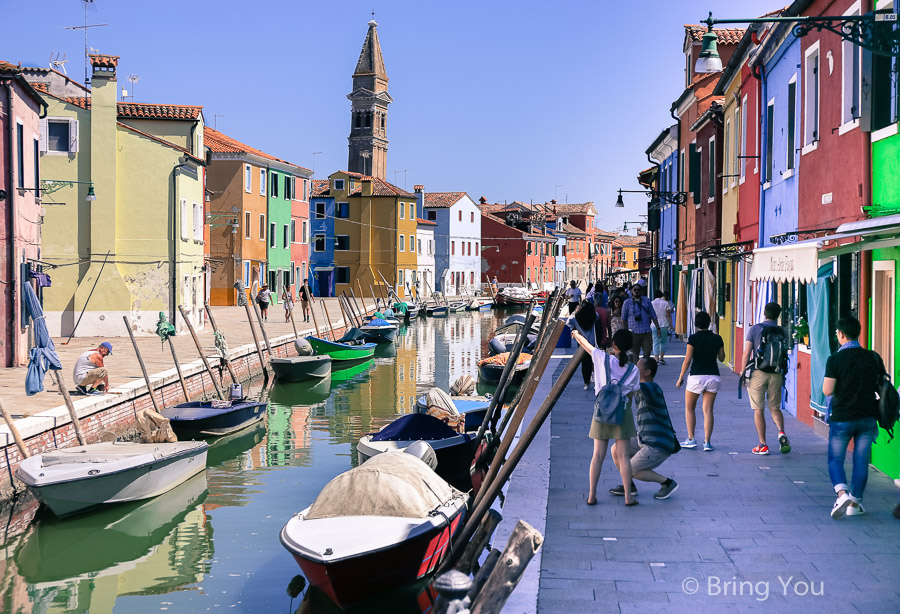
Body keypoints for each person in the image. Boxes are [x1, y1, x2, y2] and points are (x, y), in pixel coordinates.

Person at [823, 316, 883, 519]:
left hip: (842, 418)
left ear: (840, 334)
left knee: (835, 459)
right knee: (860, 460)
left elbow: (827, 390)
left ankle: (842, 494)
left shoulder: (835, 359)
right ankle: (855, 503)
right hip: (867, 417)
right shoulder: (872, 357)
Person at [572, 328, 640, 507]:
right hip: (622, 413)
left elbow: (586, 346)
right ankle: (628, 497)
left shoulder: (603, 359)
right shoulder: (634, 369)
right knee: (624, 456)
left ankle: (592, 495)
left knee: (597, 455)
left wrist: (576, 333)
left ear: (613, 345)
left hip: (602, 411)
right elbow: (632, 394)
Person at [609, 357, 680, 500]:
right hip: (645, 438)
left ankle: (667, 483)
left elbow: (633, 385)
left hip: (658, 443)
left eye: (638, 366)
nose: (635, 368)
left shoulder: (652, 388)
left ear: (647, 372)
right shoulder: (640, 388)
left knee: (633, 469)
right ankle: (629, 485)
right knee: (616, 449)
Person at [740, 302, 791, 456]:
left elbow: (746, 352)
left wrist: (743, 374)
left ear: (764, 313)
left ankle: (763, 444)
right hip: (776, 373)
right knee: (775, 407)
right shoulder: (782, 331)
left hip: (758, 373)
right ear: (778, 315)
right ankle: (781, 432)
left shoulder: (755, 329)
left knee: (758, 409)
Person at [676, 311, 724, 452]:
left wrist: (680, 378)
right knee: (708, 410)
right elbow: (721, 358)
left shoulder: (693, 338)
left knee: (690, 408)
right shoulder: (717, 338)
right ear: (709, 323)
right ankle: (707, 442)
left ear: (696, 324)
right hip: (713, 376)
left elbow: (687, 360)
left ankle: (691, 439)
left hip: (696, 376)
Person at [622, 284, 659, 361]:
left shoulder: (647, 301)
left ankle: (644, 368)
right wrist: (625, 332)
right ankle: (636, 371)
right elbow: (624, 318)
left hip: (646, 331)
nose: (636, 291)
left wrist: (658, 328)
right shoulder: (627, 302)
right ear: (632, 291)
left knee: (647, 352)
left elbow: (653, 315)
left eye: (638, 290)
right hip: (633, 332)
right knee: (634, 354)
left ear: (641, 291)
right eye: (634, 290)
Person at [566, 300, 598, 390]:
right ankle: (596, 379)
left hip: (581, 342)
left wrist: (575, 329)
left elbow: (568, 323)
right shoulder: (593, 315)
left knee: (585, 363)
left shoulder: (575, 317)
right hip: (592, 342)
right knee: (594, 361)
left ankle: (586, 382)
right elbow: (598, 318)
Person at [651, 290, 673, 365]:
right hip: (664, 324)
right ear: (661, 295)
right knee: (663, 341)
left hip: (654, 325)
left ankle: (656, 359)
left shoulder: (652, 303)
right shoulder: (666, 303)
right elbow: (668, 315)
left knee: (655, 342)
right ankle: (662, 358)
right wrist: (671, 325)